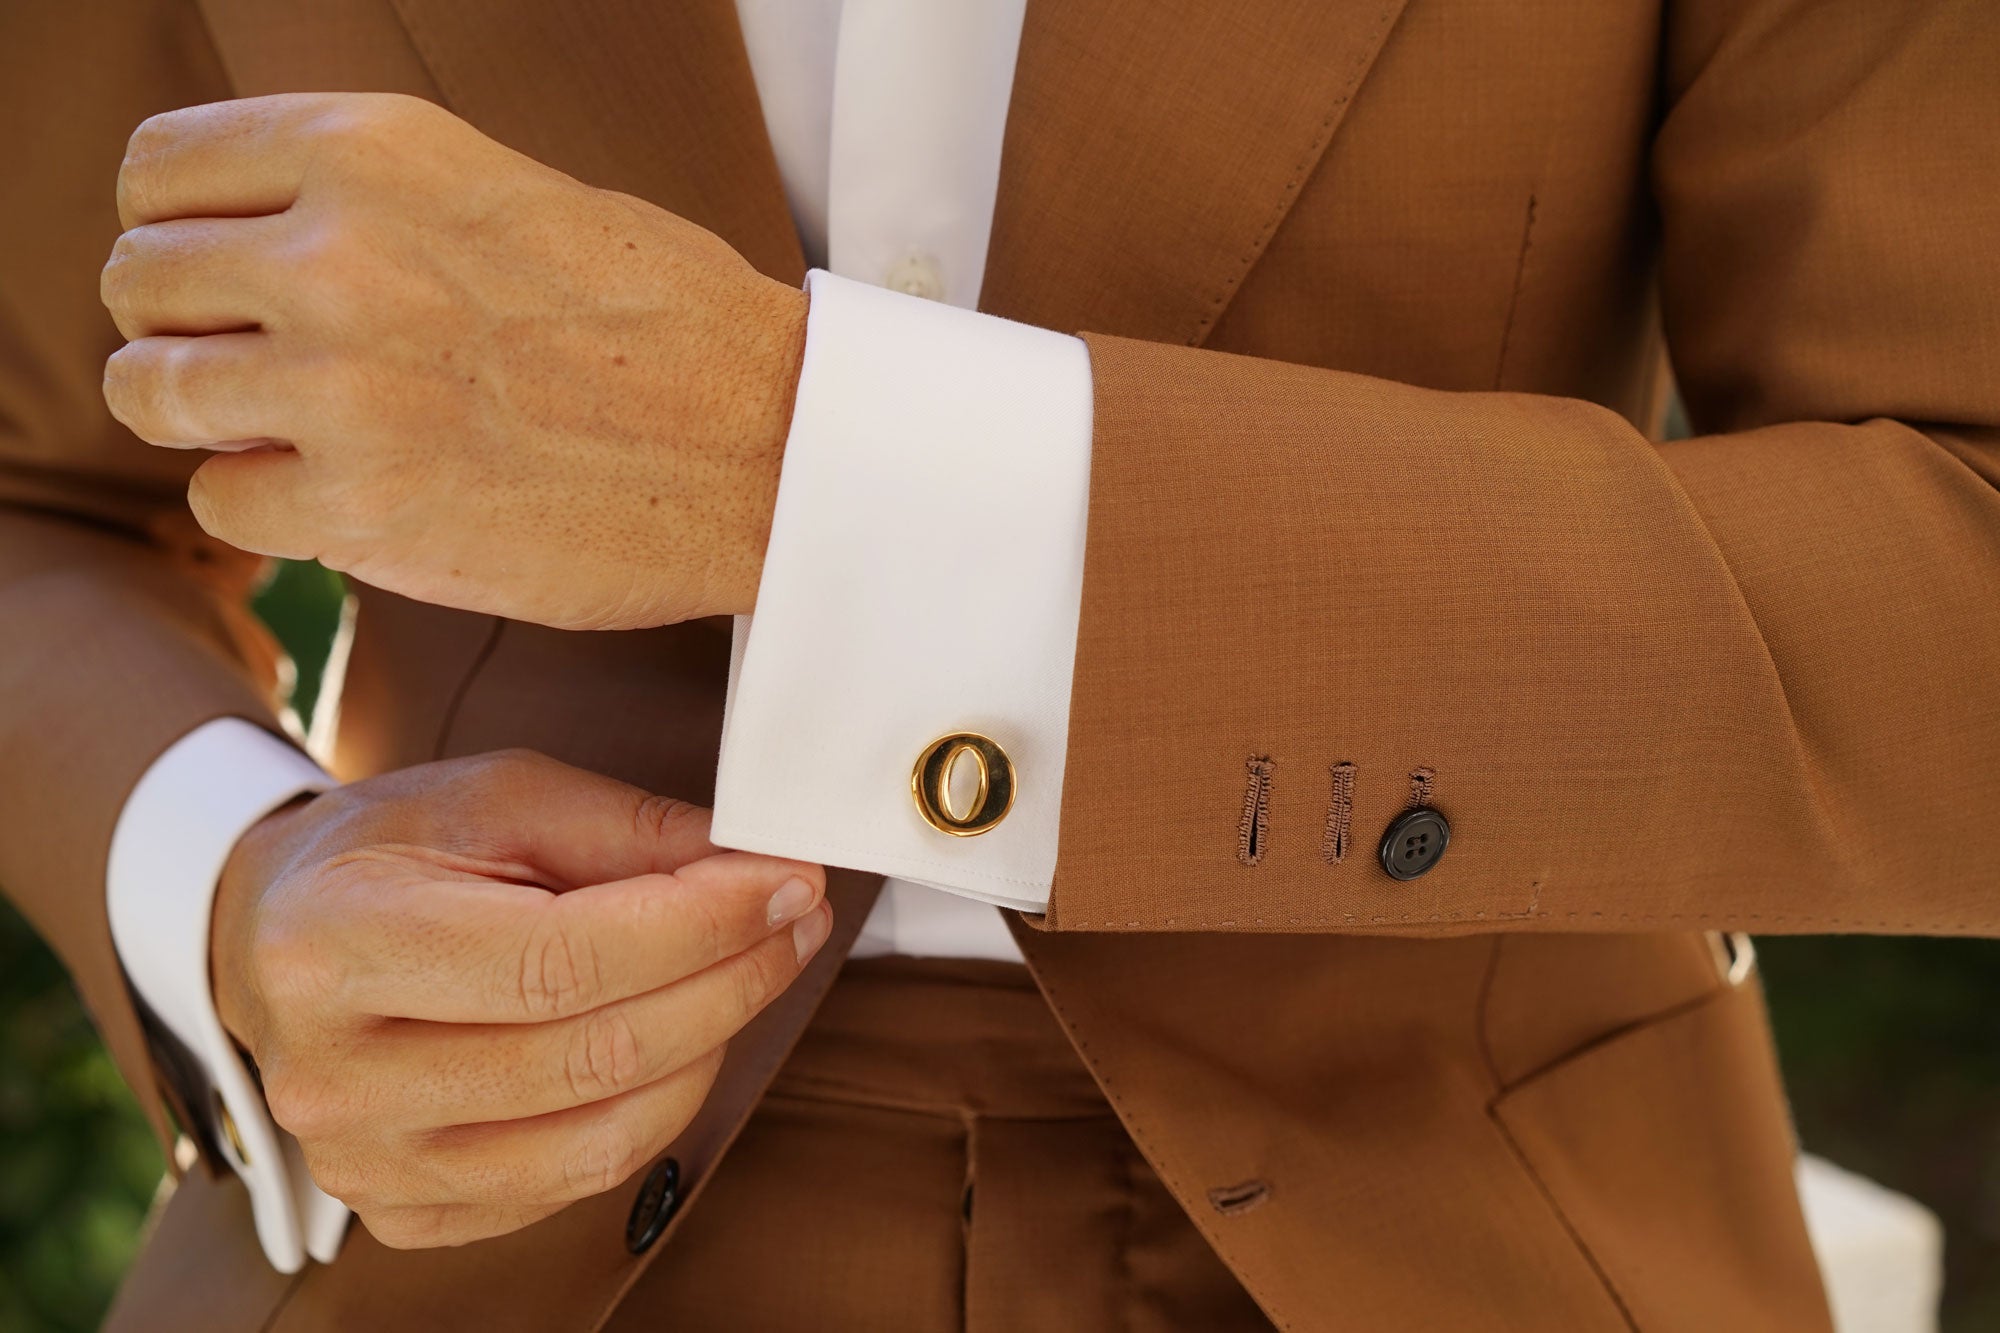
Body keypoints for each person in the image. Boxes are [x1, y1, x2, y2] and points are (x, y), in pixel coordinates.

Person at [2, 1, 1994, 1329]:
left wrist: (800, 462)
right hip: (457, 1244)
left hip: (1465, 1229)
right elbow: (39, 488)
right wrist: (227, 892)